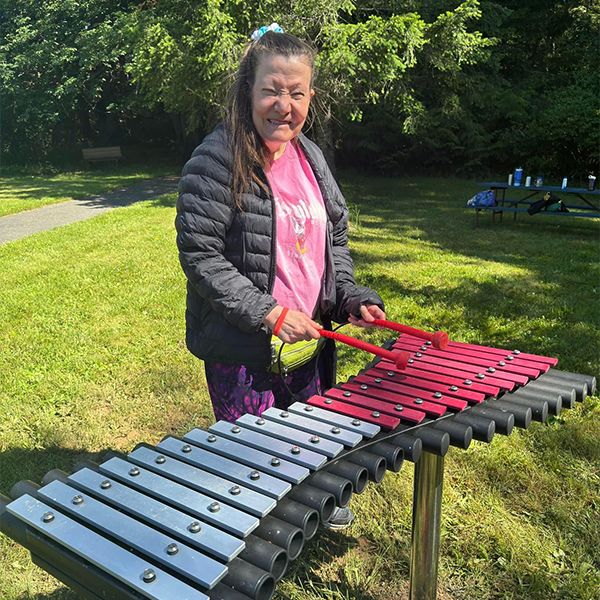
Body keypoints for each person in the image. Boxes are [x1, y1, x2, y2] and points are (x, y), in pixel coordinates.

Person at [176, 25, 385, 529]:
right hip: (244, 348)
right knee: (253, 458)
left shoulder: (311, 157)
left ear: (310, 97)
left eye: (296, 92)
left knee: (311, 438)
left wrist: (350, 297)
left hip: (309, 342)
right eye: (271, 89)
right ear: (249, 88)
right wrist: (268, 312)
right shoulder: (217, 157)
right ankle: (254, 539)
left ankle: (313, 503)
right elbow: (199, 254)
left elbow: (332, 240)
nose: (283, 104)